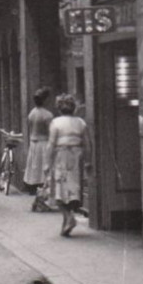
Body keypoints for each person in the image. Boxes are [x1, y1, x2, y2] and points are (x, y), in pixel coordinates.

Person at [45, 93, 92, 237]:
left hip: (61, 156)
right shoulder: (81, 123)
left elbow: (51, 144)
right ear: (74, 108)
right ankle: (67, 220)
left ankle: (68, 216)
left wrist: (47, 163)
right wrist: (89, 161)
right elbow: (87, 144)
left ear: (59, 108)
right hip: (76, 157)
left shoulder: (56, 123)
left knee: (59, 189)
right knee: (74, 189)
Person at [24, 86, 54, 212]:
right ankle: (41, 201)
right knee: (44, 174)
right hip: (44, 145)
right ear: (46, 100)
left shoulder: (32, 113)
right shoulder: (47, 115)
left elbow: (30, 129)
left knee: (37, 173)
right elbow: (51, 132)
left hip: (34, 144)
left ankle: (38, 200)